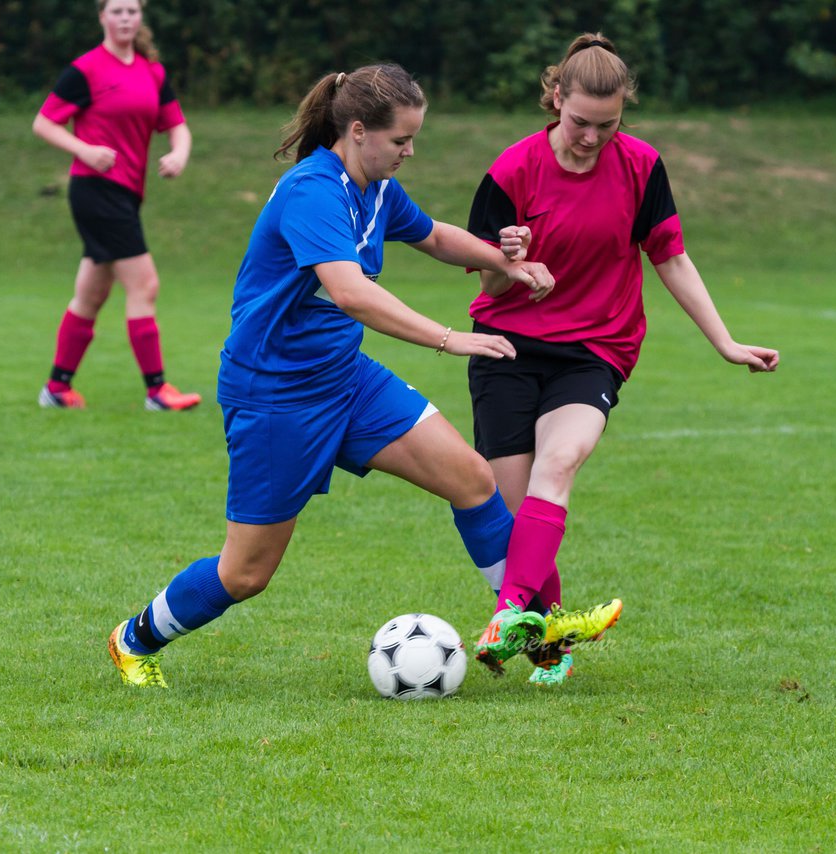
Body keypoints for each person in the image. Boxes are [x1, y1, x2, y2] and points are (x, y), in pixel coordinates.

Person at [107, 63, 558, 689]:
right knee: (246, 574)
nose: (409, 151)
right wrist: (451, 338)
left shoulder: (374, 187)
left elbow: (434, 236)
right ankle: (135, 638)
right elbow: (351, 295)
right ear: (357, 131)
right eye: (401, 139)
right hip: (275, 394)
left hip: (344, 377)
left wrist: (510, 265)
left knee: (472, 478)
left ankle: (531, 631)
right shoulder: (313, 191)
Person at [465, 33, 780, 685]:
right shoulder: (511, 171)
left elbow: (671, 256)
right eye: (580, 123)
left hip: (593, 350)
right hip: (506, 350)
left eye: (606, 127)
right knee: (516, 515)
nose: (590, 139)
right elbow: (486, 282)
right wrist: (510, 262)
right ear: (557, 98)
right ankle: (549, 645)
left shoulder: (640, 167)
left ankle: (505, 619)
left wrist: (724, 341)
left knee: (560, 460)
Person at [32, 0, 201, 411]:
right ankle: (157, 391)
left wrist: (179, 154)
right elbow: (44, 122)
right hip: (96, 190)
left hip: (125, 194)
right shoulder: (86, 69)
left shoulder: (151, 71)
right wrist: (84, 150)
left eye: (132, 11)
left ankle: (56, 389)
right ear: (102, 17)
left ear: (141, 16)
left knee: (91, 294)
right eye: (117, 11)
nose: (125, 18)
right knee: (145, 285)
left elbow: (178, 126)